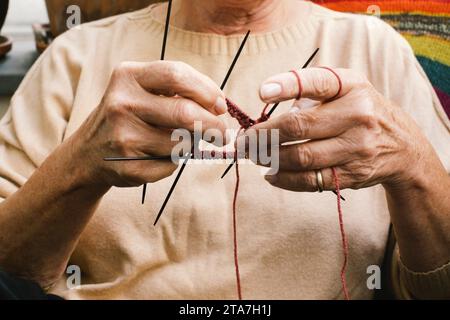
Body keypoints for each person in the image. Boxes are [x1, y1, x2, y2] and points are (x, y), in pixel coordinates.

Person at [0, 0, 448, 300]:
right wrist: (83, 166)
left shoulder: (374, 49)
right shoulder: (75, 55)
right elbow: (9, 268)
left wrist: (413, 166)